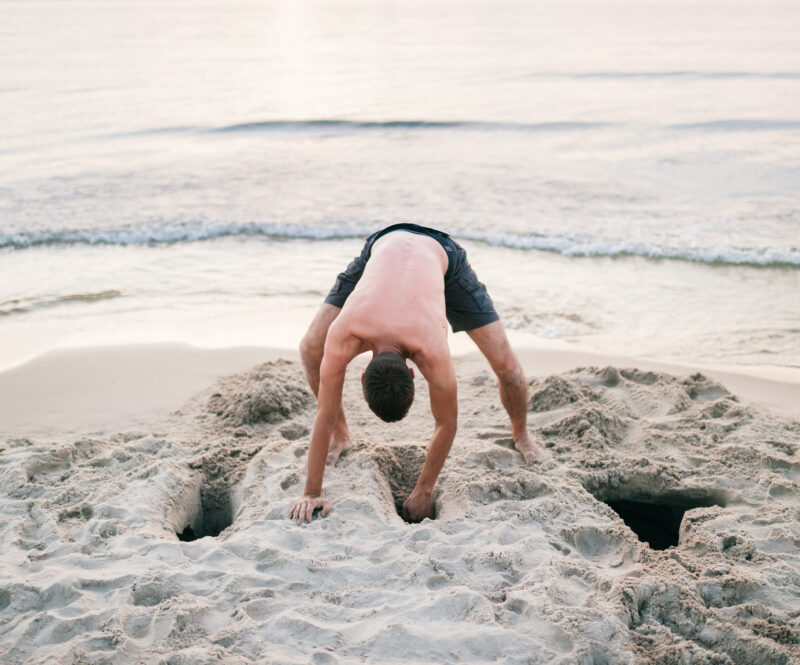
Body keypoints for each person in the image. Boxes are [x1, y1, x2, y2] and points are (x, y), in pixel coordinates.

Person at [289, 223, 547, 524]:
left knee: (509, 368)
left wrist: (424, 490)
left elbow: (447, 424)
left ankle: (521, 434)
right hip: (382, 249)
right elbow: (325, 414)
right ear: (413, 373)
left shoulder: (432, 348)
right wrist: (311, 492)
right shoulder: (344, 333)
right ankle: (342, 437)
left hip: (443, 258)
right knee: (309, 349)